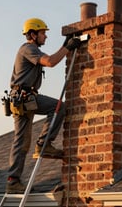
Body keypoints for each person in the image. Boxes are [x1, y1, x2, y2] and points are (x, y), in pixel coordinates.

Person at [6, 18, 81, 194]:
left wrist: (65, 46)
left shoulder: (31, 49)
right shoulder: (28, 48)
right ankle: (43, 145)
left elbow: (51, 58)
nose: (46, 36)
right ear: (33, 34)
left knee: (22, 140)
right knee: (58, 108)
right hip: (23, 98)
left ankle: (14, 180)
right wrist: (68, 47)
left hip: (25, 98)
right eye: (43, 33)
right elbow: (51, 61)